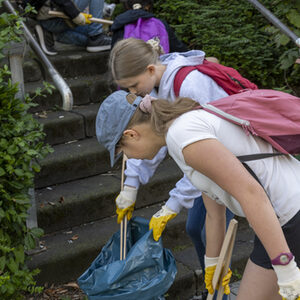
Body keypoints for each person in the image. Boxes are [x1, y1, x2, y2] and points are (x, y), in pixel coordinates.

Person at [96, 90, 300, 300]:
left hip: (290, 213)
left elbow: (252, 194)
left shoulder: (183, 137)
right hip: (284, 214)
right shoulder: (181, 132)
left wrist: (285, 267)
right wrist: (212, 265)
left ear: (131, 134)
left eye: (123, 151)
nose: (128, 157)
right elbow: (214, 212)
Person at [109, 37, 236, 299]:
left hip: (231, 157)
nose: (135, 93)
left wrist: (173, 205)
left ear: (151, 70)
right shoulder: (155, 89)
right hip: (211, 163)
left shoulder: (189, 85)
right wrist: (130, 187)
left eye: (134, 85)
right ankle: (214, 288)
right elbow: (154, 138)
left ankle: (219, 291)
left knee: (205, 227)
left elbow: (202, 154)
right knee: (194, 228)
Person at [21, 0, 111, 55]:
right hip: (53, 19)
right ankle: (96, 36)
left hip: (52, 21)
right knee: (94, 37)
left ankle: (52, 35)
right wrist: (75, 14)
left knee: (90, 40)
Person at [111, 0, 189, 53]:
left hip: (129, 74)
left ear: (126, 6)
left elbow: (114, 56)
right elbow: (180, 50)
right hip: (158, 74)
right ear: (148, 6)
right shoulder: (161, 24)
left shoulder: (120, 25)